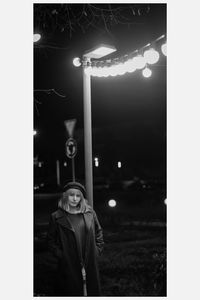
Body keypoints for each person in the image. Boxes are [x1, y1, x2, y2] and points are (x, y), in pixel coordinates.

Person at [47, 181, 104, 296]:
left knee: (90, 291)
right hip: (69, 263)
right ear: (65, 196)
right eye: (71, 195)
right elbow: (50, 240)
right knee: (72, 291)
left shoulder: (90, 213)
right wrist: (62, 255)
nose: (74, 199)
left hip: (89, 260)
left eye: (78, 196)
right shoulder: (56, 216)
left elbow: (99, 232)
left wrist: (97, 251)